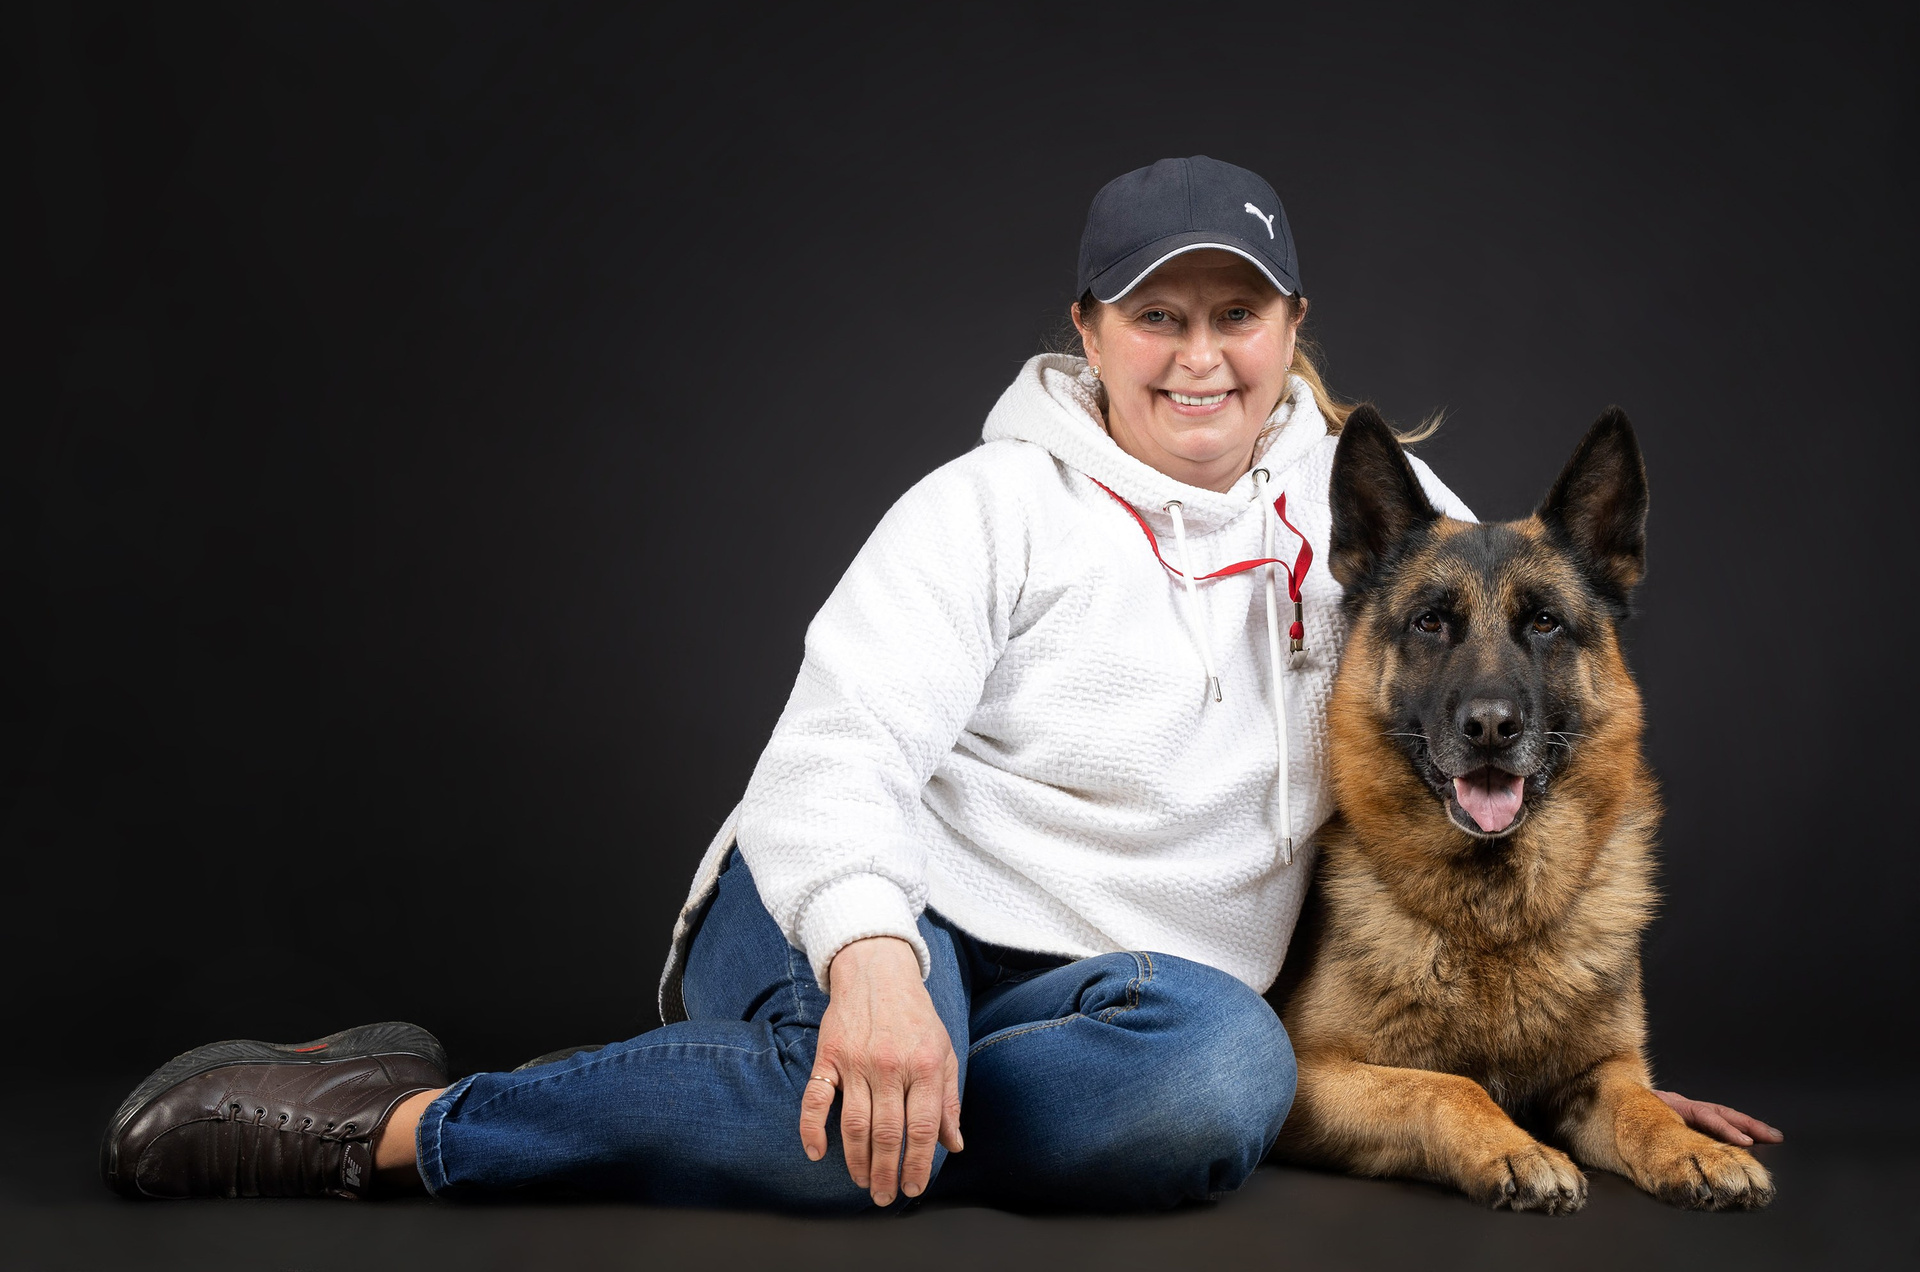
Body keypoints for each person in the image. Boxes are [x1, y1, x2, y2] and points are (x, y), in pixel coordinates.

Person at [101, 156, 1779, 1210]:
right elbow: (830, 758)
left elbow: (1531, 651)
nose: (1201, 355)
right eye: (1159, 316)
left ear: (1290, 325)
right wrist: (876, 966)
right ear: (1089, 328)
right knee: (836, 1115)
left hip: (1110, 990)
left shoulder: (1364, 524)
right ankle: (386, 1121)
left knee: (1222, 1086)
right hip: (862, 901)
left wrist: (1601, 1087)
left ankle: (873, 1114)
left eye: (1237, 314)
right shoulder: (988, 507)